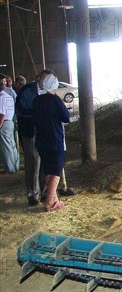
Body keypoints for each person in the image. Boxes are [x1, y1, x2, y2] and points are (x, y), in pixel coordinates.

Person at [32, 74, 70, 211]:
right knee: (56, 170)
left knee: (48, 169)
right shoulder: (55, 100)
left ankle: (54, 200)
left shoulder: (37, 100)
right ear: (54, 85)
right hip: (55, 139)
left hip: (41, 139)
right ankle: (49, 201)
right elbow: (66, 118)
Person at [16, 69, 53, 206]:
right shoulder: (27, 90)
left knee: (45, 162)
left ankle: (44, 193)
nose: (45, 82)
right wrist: (37, 112)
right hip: (30, 131)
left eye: (49, 80)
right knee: (33, 162)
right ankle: (32, 194)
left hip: (45, 132)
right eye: (44, 79)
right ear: (39, 78)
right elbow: (20, 109)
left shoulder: (51, 93)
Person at [0, 73, 19, 173]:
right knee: (12, 145)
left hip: (4, 123)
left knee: (6, 147)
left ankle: (9, 168)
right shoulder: (8, 95)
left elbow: (2, 114)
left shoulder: (1, 97)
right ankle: (15, 166)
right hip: (10, 121)